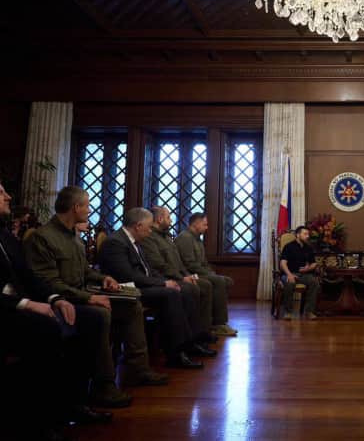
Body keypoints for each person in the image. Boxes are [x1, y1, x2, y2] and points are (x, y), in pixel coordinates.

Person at [25, 187, 168, 409]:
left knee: (131, 305)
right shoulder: (43, 237)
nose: (89, 210)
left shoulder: (73, 236)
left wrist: (103, 279)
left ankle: (138, 369)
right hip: (61, 300)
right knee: (101, 313)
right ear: (76, 207)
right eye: (87, 205)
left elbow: (85, 272)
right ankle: (103, 385)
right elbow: (48, 283)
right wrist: (89, 298)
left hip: (81, 294)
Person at [1, 181, 111, 441]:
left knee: (92, 319)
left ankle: (75, 402)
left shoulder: (5, 235)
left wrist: (55, 299)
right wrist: (28, 304)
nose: (8, 197)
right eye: (1, 192)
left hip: (29, 303)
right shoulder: (43, 237)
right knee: (49, 328)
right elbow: (40, 279)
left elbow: (29, 277)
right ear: (75, 207)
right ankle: (39, 421)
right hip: (9, 310)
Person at [99, 208, 214, 369]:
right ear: (138, 226)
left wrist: (167, 281)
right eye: (148, 228)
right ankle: (176, 352)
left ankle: (191, 342)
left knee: (183, 289)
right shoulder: (115, 242)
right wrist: (163, 284)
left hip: (142, 285)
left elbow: (148, 270)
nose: (149, 232)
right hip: (126, 289)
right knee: (171, 294)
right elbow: (128, 276)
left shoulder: (133, 240)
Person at [140, 206, 216, 343]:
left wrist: (187, 276)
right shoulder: (150, 238)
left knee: (204, 285)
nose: (171, 221)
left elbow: (179, 263)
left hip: (177, 276)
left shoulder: (167, 237)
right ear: (160, 219)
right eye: (168, 217)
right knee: (191, 288)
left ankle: (202, 330)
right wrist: (182, 278)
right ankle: (191, 335)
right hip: (165, 278)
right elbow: (158, 265)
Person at [176, 213, 237, 336]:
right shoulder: (185, 238)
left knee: (227, 280)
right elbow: (190, 264)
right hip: (189, 274)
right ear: (195, 224)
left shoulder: (197, 239)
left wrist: (211, 273)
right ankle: (219, 324)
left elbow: (203, 263)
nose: (207, 227)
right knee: (218, 281)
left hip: (199, 272)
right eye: (205, 224)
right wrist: (211, 275)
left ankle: (214, 319)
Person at [278, 225, 320, 320]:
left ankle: (309, 311)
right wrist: (289, 274)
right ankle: (288, 312)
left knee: (314, 282)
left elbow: (314, 264)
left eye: (308, 234)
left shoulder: (308, 248)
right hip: (289, 273)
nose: (307, 236)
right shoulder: (289, 246)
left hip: (303, 274)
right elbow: (282, 263)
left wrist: (307, 269)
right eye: (305, 234)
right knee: (290, 283)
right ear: (298, 235)